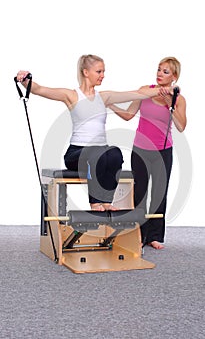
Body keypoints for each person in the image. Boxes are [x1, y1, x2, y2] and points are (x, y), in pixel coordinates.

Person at [16, 54, 174, 212]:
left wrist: (165, 90)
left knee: (115, 153)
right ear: (86, 72)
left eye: (103, 71)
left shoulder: (104, 97)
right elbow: (40, 89)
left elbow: (137, 94)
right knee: (96, 153)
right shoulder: (72, 95)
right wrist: (25, 81)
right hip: (76, 153)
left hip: (100, 153)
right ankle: (95, 201)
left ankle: (106, 201)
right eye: (99, 71)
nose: (103, 75)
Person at [108, 57, 187, 248]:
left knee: (159, 194)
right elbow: (128, 115)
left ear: (174, 76)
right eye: (159, 70)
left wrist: (171, 104)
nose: (160, 73)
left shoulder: (179, 99)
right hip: (140, 150)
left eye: (165, 71)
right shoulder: (145, 91)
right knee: (140, 194)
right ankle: (139, 235)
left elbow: (181, 126)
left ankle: (155, 236)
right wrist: (110, 104)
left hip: (163, 151)